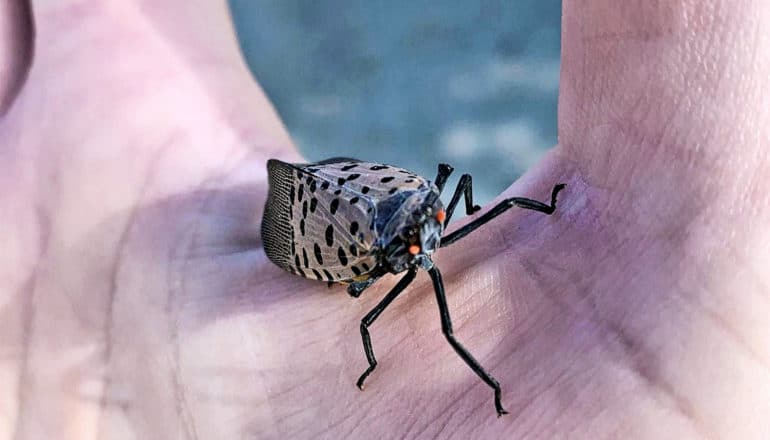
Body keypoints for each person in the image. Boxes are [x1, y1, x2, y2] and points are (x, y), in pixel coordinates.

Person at [1, 1, 767, 438]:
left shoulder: (433, 224)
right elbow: (378, 326)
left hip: (377, 207)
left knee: (462, 204)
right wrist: (394, 256)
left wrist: (462, 219)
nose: (433, 249)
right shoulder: (397, 257)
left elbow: (461, 208)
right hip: (339, 240)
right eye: (423, 243)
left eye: (432, 234)